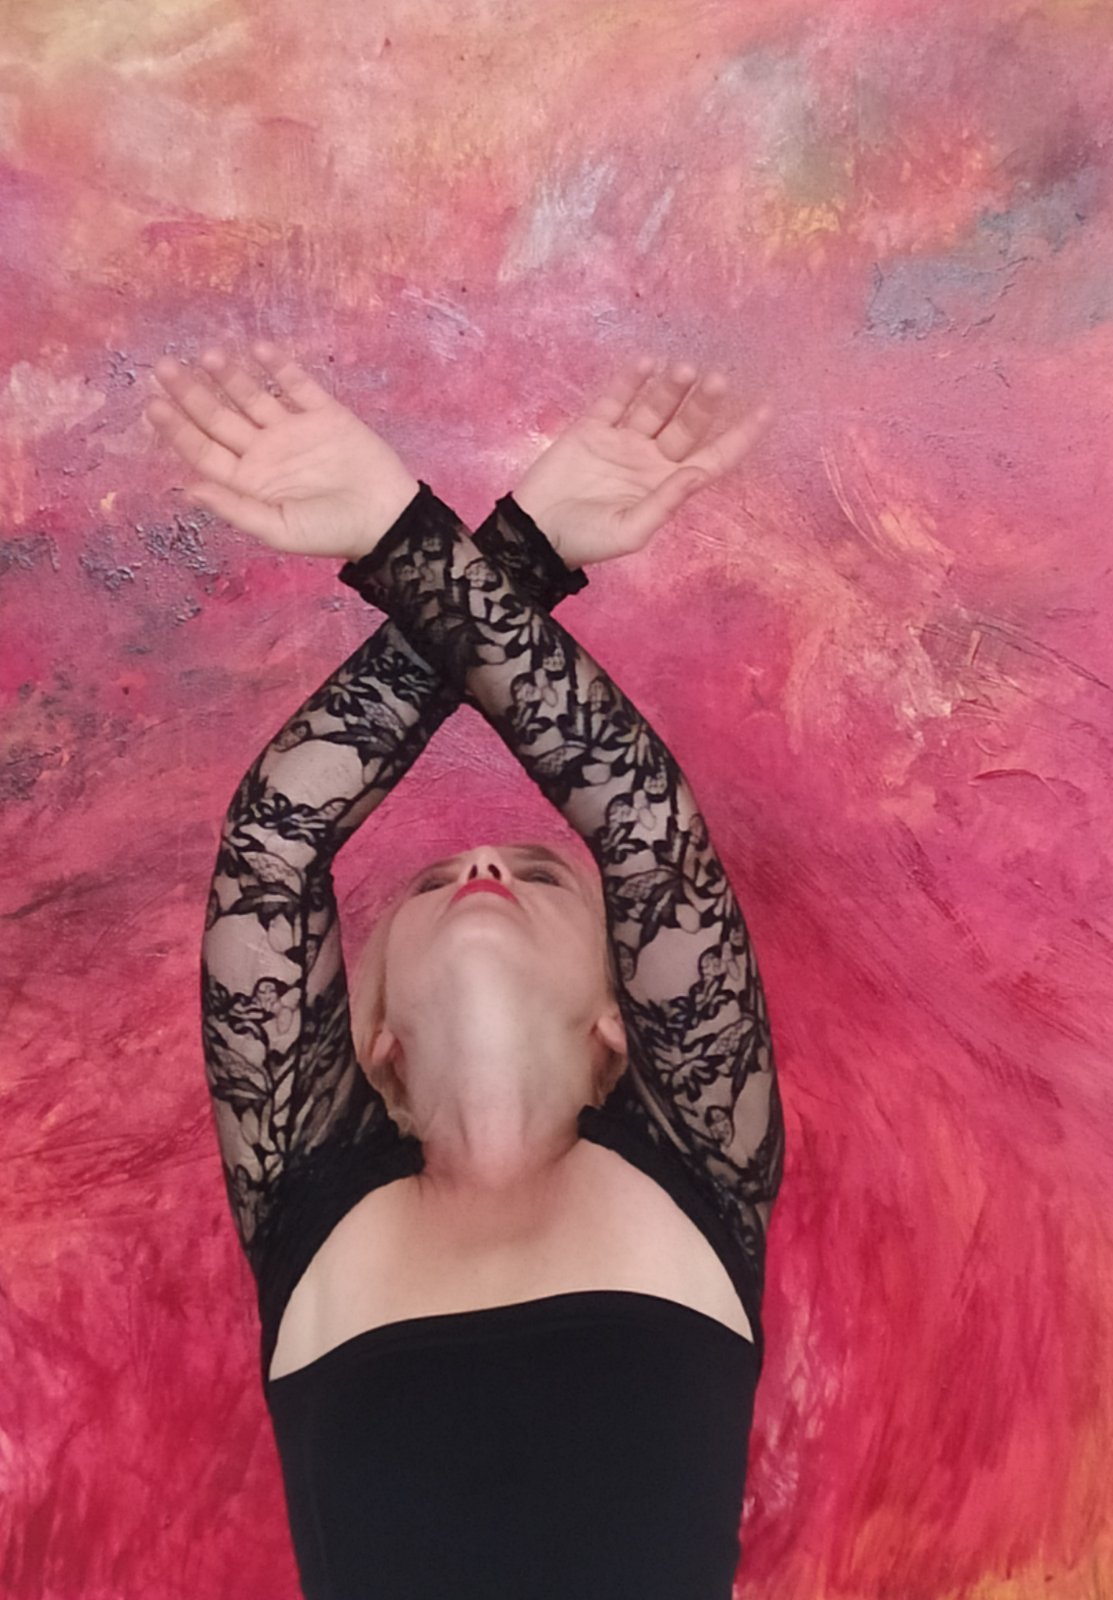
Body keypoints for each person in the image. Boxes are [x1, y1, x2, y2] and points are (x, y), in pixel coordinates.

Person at [145, 341, 787, 1600]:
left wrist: (421, 540)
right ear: (375, 1035)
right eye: (435, 882)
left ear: (620, 1020)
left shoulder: (696, 1151)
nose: (484, 862)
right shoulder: (315, 1179)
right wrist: (509, 550)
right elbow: (285, 836)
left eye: (537, 871)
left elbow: (638, 825)